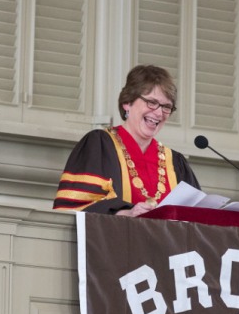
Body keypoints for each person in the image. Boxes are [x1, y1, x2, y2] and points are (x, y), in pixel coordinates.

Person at [53, 64, 199, 216]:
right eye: (152, 102)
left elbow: (196, 221)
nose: (158, 113)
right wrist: (126, 214)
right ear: (127, 103)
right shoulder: (100, 147)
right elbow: (75, 209)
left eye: (166, 107)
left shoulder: (176, 164)